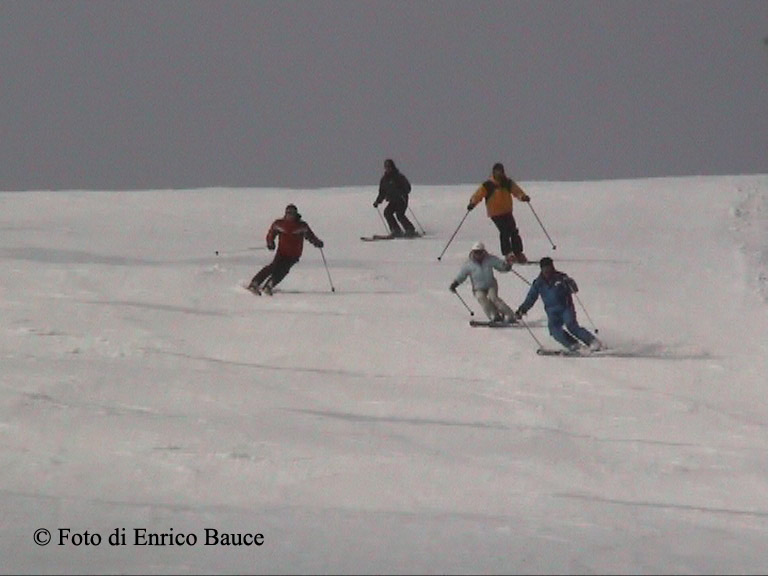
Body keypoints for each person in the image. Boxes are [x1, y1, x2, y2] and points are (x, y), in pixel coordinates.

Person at [515, 257, 603, 351]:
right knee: (554, 330)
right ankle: (573, 345)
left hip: (566, 307)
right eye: (545, 269)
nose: (547, 271)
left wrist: (570, 283)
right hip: (552, 311)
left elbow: (574, 289)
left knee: (571, 325)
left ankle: (593, 341)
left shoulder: (561, 277)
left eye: (549, 268)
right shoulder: (538, 283)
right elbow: (531, 298)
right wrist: (522, 309)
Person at [247, 204, 324, 295]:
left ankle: (270, 285)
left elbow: (310, 236)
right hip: (282, 252)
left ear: (296, 214)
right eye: (288, 213)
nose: (290, 216)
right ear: (285, 214)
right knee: (273, 267)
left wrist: (317, 243)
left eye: (292, 213)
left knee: (283, 270)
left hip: (294, 255)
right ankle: (255, 283)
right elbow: (271, 234)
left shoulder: (302, 226)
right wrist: (270, 243)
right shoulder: (279, 224)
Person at [466, 162, 531, 263]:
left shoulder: (508, 183)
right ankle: (508, 254)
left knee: (513, 231)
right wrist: (472, 203)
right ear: (493, 172)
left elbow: (516, 191)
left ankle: (518, 253)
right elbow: (478, 195)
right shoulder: (488, 185)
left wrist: (523, 197)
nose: (499, 174)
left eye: (500, 171)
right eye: (497, 171)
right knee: (504, 231)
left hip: (507, 211)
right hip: (495, 213)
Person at [449, 241, 517, 323]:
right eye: (476, 253)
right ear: (473, 252)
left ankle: (510, 315)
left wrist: (507, 266)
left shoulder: (489, 259)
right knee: (481, 298)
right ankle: (494, 315)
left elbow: (500, 266)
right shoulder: (469, 264)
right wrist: (455, 284)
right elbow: (461, 276)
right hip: (478, 288)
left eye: (480, 252)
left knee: (493, 298)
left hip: (491, 284)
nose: (478, 255)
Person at [373, 158, 417, 238]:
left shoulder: (399, 177)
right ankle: (396, 230)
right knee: (387, 212)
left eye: (389, 167)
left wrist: (402, 193)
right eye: (386, 167)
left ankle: (410, 229)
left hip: (401, 200)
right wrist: (377, 201)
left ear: (392, 167)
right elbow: (382, 193)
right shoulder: (384, 180)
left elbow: (408, 187)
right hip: (393, 201)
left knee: (399, 214)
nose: (387, 169)